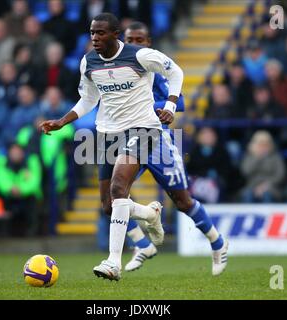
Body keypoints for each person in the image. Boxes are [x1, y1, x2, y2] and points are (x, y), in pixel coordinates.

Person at [39, 13, 228, 281]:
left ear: (116, 35)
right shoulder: (88, 62)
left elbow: (177, 73)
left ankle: (115, 261)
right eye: (92, 32)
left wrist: (170, 106)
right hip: (108, 134)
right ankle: (149, 215)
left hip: (147, 131)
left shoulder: (142, 58)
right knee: (109, 203)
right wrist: (62, 121)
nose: (94, 37)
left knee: (171, 198)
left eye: (100, 33)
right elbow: (88, 99)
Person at [119, 21, 184, 272]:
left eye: (139, 40)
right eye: (129, 40)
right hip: (126, 136)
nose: (133, 45)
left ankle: (215, 241)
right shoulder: (116, 68)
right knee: (112, 196)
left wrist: (149, 104)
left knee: (181, 198)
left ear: (149, 43)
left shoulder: (153, 69)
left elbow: (182, 101)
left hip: (155, 138)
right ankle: (142, 243)